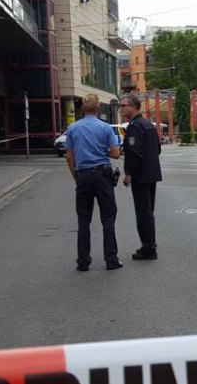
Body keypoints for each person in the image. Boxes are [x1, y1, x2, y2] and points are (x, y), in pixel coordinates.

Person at [66, 93, 123, 271]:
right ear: (98, 109)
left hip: (83, 175)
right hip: (102, 175)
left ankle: (83, 261)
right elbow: (115, 153)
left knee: (83, 218)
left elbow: (69, 156)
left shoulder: (73, 128)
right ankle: (111, 259)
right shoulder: (105, 128)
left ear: (82, 109)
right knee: (108, 216)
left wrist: (77, 177)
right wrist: (100, 151)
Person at [119, 93, 162, 260]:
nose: (122, 108)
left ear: (134, 106)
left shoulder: (135, 127)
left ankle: (148, 248)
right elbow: (157, 149)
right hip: (151, 173)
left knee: (143, 212)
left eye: (124, 105)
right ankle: (150, 243)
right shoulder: (148, 125)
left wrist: (128, 173)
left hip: (141, 176)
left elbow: (134, 154)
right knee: (148, 211)